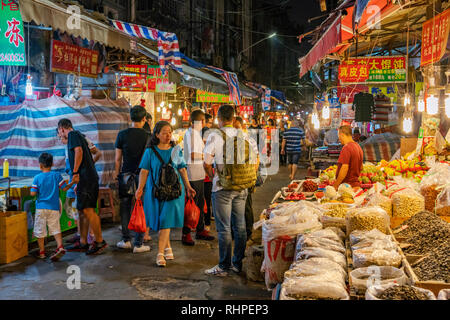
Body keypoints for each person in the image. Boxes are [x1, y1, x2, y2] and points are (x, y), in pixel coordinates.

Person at [203, 105, 258, 276]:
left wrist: (214, 176)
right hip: (242, 187)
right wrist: (247, 176)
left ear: (218, 118)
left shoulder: (215, 136)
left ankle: (223, 266)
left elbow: (206, 162)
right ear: (234, 119)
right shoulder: (245, 136)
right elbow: (256, 161)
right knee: (240, 226)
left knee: (224, 228)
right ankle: (237, 263)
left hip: (222, 188)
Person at [135, 121, 196, 267]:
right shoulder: (150, 151)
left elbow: (182, 169)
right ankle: (168, 246)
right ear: (156, 134)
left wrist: (188, 186)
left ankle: (160, 253)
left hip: (174, 192)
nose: (168, 135)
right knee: (162, 221)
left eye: (170, 132)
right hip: (155, 191)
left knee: (165, 219)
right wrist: (140, 189)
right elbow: (144, 171)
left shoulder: (176, 149)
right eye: (164, 132)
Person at [58, 119, 107, 255]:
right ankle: (83, 242)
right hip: (85, 178)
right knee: (81, 210)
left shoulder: (73, 135)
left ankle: (99, 241)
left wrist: (75, 172)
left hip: (86, 179)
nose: (59, 136)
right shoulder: (79, 136)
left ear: (62, 129)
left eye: (59, 132)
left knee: (88, 210)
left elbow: (78, 152)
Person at [114, 105, 151, 253]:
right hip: (144, 175)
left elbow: (118, 159)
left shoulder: (122, 135)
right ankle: (139, 243)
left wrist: (117, 175)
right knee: (141, 207)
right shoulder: (149, 136)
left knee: (125, 207)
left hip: (126, 175)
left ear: (130, 118)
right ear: (144, 119)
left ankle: (125, 240)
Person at [30, 153, 75, 260]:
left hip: (41, 208)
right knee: (55, 228)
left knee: (40, 230)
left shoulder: (37, 177)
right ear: (52, 164)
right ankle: (60, 246)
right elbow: (64, 188)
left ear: (40, 165)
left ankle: (42, 252)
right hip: (54, 208)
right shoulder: (56, 175)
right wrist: (72, 182)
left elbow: (33, 193)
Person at [182, 109, 214, 246]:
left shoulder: (192, 133)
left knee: (199, 203)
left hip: (197, 174)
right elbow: (193, 155)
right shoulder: (193, 135)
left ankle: (200, 230)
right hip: (193, 175)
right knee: (192, 205)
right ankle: (186, 232)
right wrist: (208, 157)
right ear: (201, 121)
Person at [333, 125, 364, 189]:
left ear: (342, 135)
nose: (339, 139)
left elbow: (344, 168)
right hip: (356, 186)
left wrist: (336, 184)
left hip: (346, 187)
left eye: (339, 136)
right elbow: (361, 167)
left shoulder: (346, 148)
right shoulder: (358, 147)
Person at [202, 113, 214, 232]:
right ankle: (202, 223)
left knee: (208, 199)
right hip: (201, 177)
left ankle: (207, 224)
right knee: (202, 200)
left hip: (208, 177)